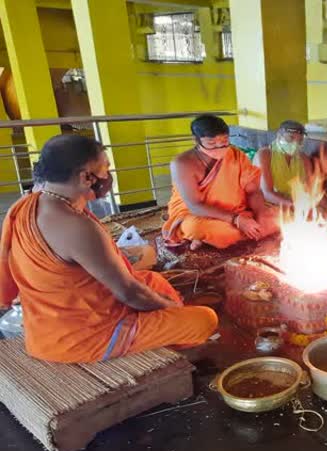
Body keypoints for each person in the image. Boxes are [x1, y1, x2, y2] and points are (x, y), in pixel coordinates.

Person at [0, 135, 218, 363]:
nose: (107, 176)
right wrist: (169, 307)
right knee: (203, 320)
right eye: (105, 168)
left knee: (154, 280)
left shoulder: (27, 204)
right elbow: (129, 293)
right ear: (86, 177)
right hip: (83, 336)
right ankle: (170, 336)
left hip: (48, 322)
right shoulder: (75, 227)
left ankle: (165, 323)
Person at [162, 115, 279, 250]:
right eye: (211, 144)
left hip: (238, 211)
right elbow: (195, 205)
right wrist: (237, 220)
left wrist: (261, 214)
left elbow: (253, 191)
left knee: (276, 217)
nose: (220, 148)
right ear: (196, 140)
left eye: (224, 141)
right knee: (195, 227)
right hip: (200, 215)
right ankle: (209, 236)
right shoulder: (182, 163)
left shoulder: (236, 155)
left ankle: (212, 239)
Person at [256, 120, 327, 211]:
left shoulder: (303, 159)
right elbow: (267, 194)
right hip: (268, 205)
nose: (294, 144)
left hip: (293, 205)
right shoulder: (265, 155)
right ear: (279, 136)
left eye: (299, 141)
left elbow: (313, 189)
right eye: (290, 138)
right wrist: (297, 205)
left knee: (323, 214)